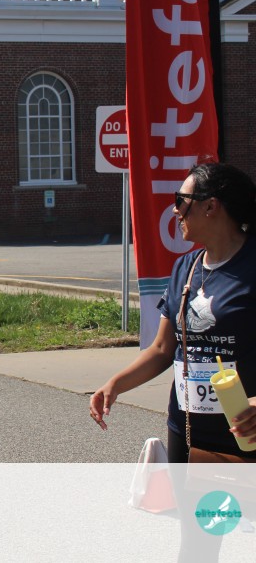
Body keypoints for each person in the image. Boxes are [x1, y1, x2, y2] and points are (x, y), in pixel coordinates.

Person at [90, 162, 256, 561]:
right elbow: (164, 349)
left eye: (181, 200)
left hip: (247, 432)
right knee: (199, 544)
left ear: (211, 206)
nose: (175, 210)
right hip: (191, 431)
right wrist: (115, 384)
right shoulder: (187, 267)